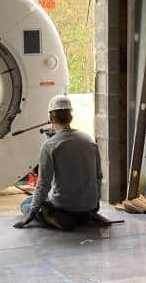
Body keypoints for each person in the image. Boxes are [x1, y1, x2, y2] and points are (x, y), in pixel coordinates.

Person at [14, 94, 102, 231]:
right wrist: (95, 203)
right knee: (40, 200)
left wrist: (30, 216)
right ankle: (82, 216)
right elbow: (98, 176)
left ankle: (52, 217)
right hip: (89, 206)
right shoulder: (89, 140)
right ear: (71, 117)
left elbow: (43, 184)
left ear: (50, 118)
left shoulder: (50, 145)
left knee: (26, 204)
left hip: (64, 206)